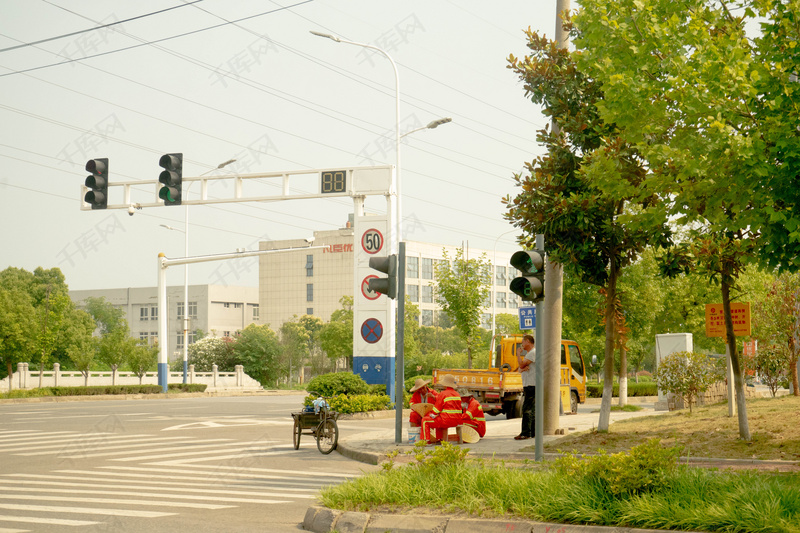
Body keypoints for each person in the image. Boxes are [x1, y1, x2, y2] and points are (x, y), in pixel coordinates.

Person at [420, 374, 462, 445]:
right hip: (457, 420)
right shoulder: (457, 394)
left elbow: (436, 411)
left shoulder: (443, 394)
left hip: (446, 420)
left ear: (445, 385)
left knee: (425, 420)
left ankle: (426, 441)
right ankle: (440, 439)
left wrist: (432, 414)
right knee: (439, 419)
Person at [515, 334, 536, 440]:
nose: (522, 344)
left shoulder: (532, 353)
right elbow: (520, 368)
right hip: (528, 384)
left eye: (523, 342)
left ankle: (526, 433)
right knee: (531, 409)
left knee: (527, 409)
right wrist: (522, 367)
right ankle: (532, 432)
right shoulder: (529, 354)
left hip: (532, 384)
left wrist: (518, 354)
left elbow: (521, 365)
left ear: (528, 341)